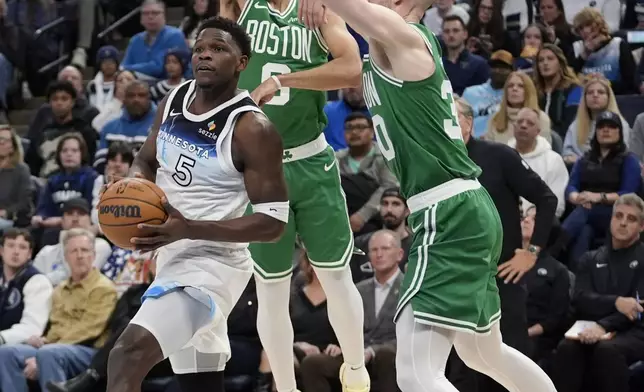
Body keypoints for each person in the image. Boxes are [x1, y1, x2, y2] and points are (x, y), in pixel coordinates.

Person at [304, 0, 557, 391]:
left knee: (415, 373)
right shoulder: (389, 42)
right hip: (458, 208)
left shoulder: (404, 36)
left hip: (447, 211)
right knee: (482, 353)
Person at [104, 17, 289, 392]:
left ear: (242, 62)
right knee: (199, 382)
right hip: (172, 253)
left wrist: (190, 227)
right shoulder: (175, 99)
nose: (205, 55)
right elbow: (146, 158)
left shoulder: (252, 128)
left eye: (218, 49)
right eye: (200, 49)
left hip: (213, 266)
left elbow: (273, 223)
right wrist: (134, 185)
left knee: (127, 354)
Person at [220, 2, 370, 392]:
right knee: (270, 287)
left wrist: (284, 82)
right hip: (260, 167)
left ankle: (355, 370)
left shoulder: (320, 11)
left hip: (311, 161)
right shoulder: (240, 6)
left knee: (336, 276)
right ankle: (285, 388)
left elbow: (353, 68)